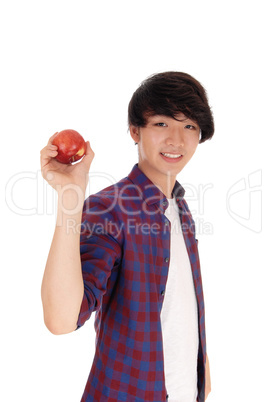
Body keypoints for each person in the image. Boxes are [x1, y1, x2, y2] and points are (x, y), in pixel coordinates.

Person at [40, 71, 214, 402]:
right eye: (162, 123)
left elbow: (180, 300)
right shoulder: (110, 208)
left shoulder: (181, 207)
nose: (177, 139)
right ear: (135, 130)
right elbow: (61, 319)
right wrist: (70, 197)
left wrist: (200, 367)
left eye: (189, 126)